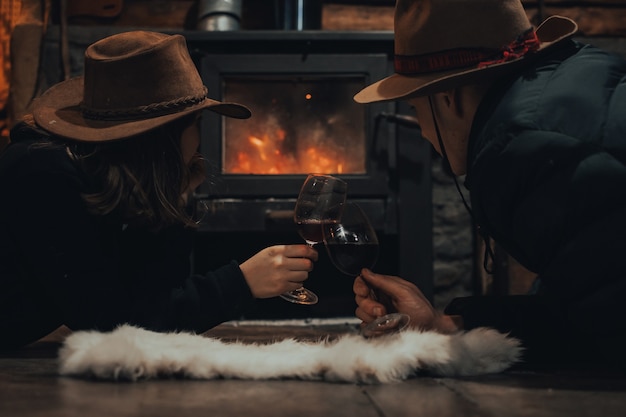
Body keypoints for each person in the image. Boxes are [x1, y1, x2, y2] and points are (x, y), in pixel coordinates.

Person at [0, 31, 318, 349]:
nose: (202, 139)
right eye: (196, 123)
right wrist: (241, 283)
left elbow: (155, 297)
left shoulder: (108, 175)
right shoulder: (42, 173)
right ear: (163, 137)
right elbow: (116, 324)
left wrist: (172, 203)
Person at [353, 0, 626, 368]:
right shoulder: (573, 79)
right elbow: (586, 304)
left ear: (448, 98)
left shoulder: (525, 147)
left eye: (417, 110)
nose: (420, 131)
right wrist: (446, 324)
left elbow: (604, 338)